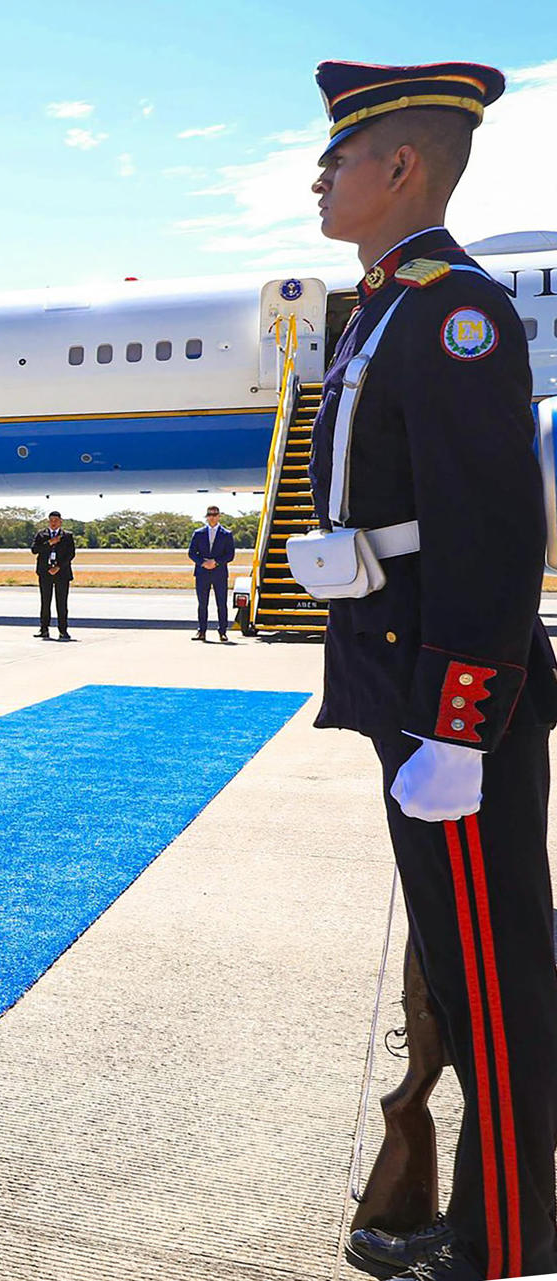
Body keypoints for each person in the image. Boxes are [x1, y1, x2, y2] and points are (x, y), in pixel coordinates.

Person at [301, 62, 557, 1281]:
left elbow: (494, 531)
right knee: (456, 974)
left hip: (451, 703)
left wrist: (462, 726)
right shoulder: (385, 306)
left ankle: (507, 1244)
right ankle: (478, 1214)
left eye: (337, 158)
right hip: (403, 686)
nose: (318, 177)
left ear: (400, 167)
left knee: (496, 987)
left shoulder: (457, 309)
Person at [188, 505, 237, 642]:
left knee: (221, 603)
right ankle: (201, 631)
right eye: (210, 514)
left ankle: (222, 631)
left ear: (219, 516)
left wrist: (216, 562)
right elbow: (191, 553)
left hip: (219, 573)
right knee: (202, 603)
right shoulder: (198, 533)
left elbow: (230, 555)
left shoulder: (226, 534)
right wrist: (203, 563)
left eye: (215, 514)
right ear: (206, 516)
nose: (212, 517)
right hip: (202, 572)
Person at [31, 512, 75, 639]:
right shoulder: (41, 534)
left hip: (62, 573)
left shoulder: (67, 536)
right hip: (45, 573)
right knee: (45, 601)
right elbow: (34, 550)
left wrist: (59, 567)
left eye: (56, 520)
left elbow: (70, 554)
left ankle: (63, 630)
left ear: (61, 521)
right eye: (51, 520)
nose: (53, 522)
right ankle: (44, 629)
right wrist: (50, 542)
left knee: (61, 603)